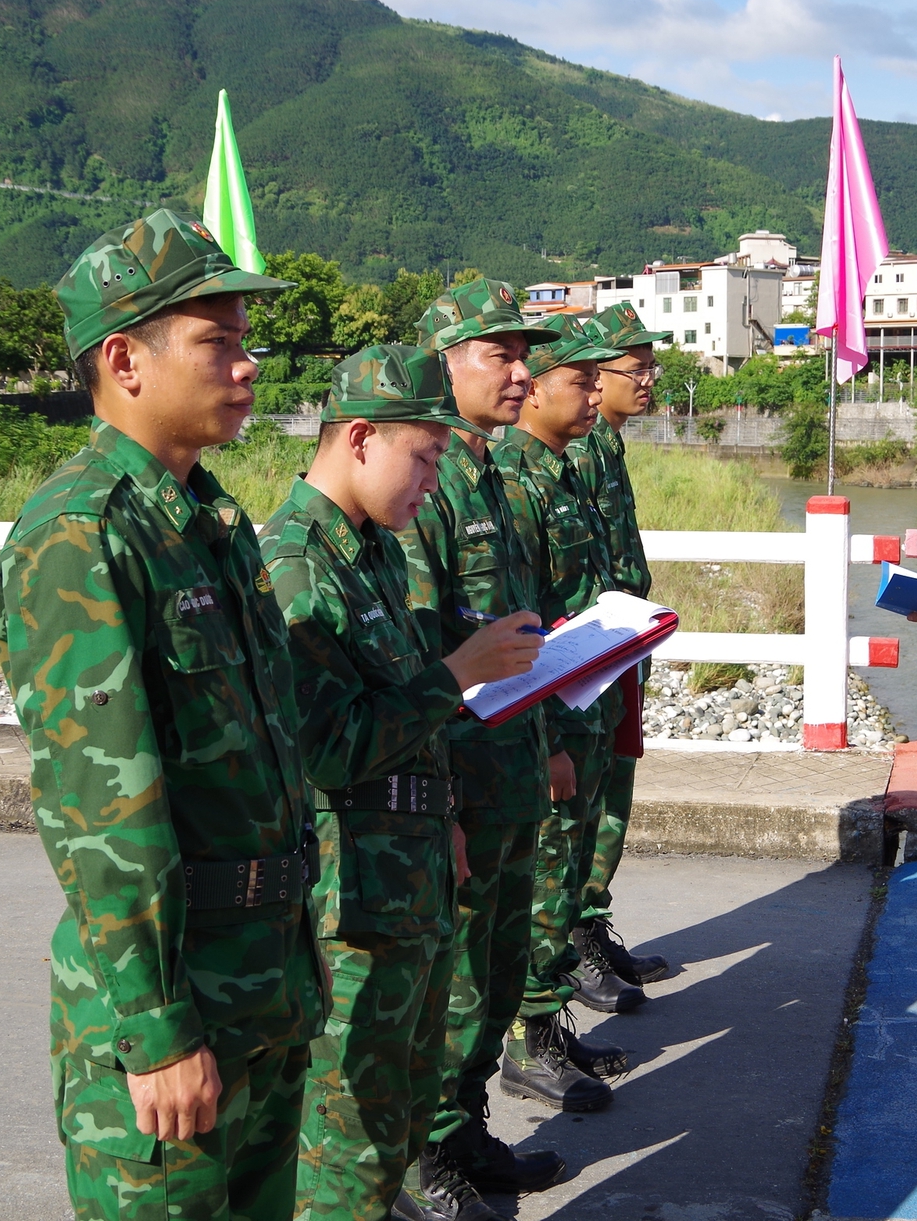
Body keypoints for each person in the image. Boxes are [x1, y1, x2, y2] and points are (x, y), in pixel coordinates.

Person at [0, 210, 325, 1221]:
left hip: (264, 983)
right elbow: (100, 809)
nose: (246, 365)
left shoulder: (209, 521)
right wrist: (155, 1028)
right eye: (216, 341)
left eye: (245, 341)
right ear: (123, 361)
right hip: (176, 1007)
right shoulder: (79, 534)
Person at [262, 345, 548, 1221]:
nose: (434, 479)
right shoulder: (298, 563)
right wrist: (456, 672)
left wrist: (448, 816)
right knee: (346, 1141)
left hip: (409, 879)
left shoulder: (370, 549)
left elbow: (401, 725)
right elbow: (331, 747)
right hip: (351, 909)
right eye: (422, 456)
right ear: (358, 439)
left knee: (397, 1122)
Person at [394, 279, 581, 1202]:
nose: (521, 372)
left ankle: (464, 1129)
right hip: (458, 782)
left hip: (510, 770)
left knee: (495, 978)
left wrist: (546, 739)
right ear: (445, 363)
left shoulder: (498, 477)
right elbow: (418, 662)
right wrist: (444, 807)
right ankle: (423, 1156)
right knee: (446, 986)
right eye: (499, 354)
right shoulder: (422, 486)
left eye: (523, 355)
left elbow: (520, 634)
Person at [493, 320, 639, 1111]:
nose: (593, 392)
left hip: (586, 701)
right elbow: (524, 618)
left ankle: (547, 1028)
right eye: (578, 381)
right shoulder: (514, 478)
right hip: (553, 714)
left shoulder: (560, 469)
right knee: (544, 885)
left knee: (564, 868)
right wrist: (547, 734)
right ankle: (529, 1040)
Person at [564, 302, 672, 1001]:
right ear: (594, 379)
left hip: (619, 648)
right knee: (585, 801)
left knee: (612, 794)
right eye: (635, 369)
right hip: (592, 656)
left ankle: (591, 921)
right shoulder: (576, 447)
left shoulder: (606, 443)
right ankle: (571, 940)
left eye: (649, 367)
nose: (650, 380)